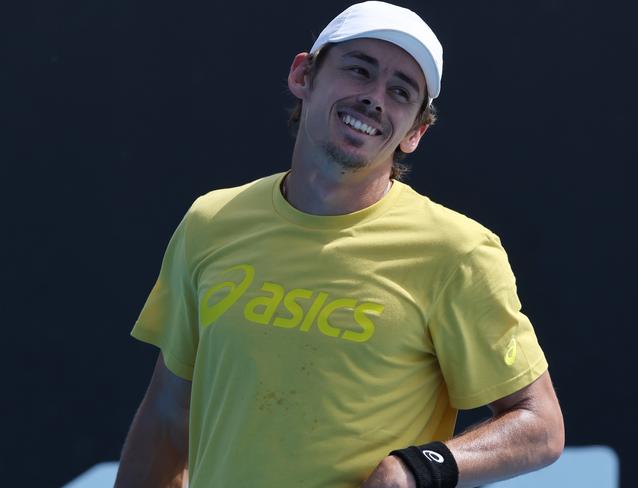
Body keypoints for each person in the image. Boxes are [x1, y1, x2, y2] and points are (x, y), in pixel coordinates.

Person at [115, 2, 564, 487]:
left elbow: (539, 425)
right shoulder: (211, 222)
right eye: (359, 71)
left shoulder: (457, 251)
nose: (374, 99)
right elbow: (168, 414)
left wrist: (420, 467)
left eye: (400, 91)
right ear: (303, 74)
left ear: (416, 131)